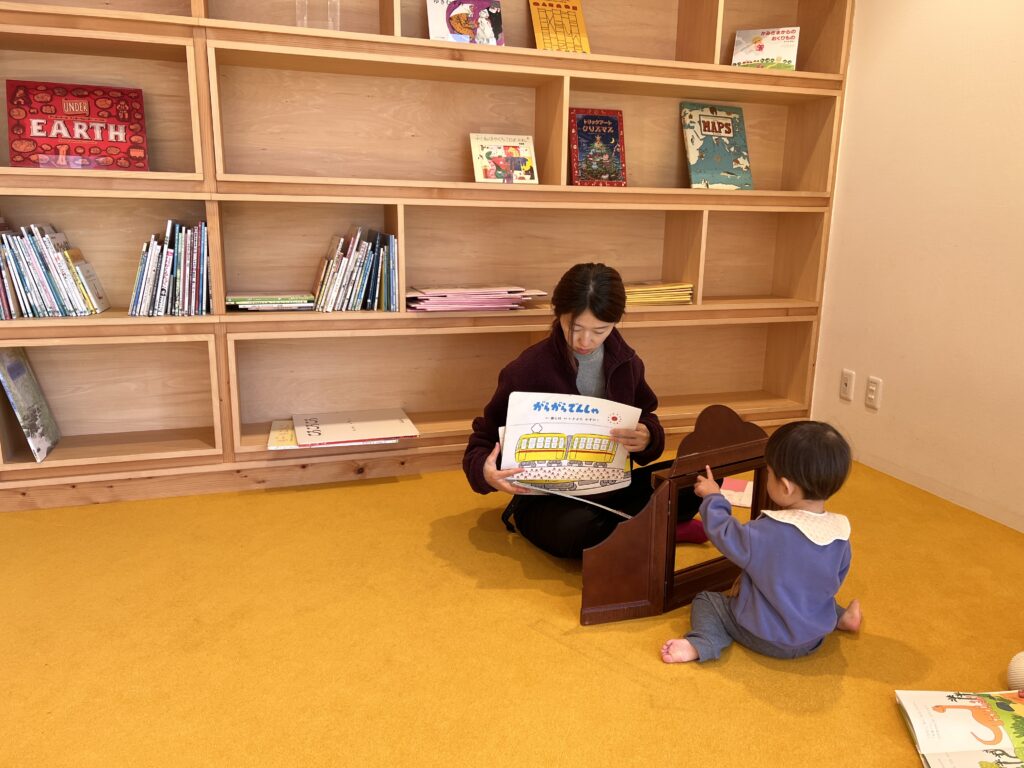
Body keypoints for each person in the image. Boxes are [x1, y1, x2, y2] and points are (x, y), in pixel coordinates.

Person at [463, 262, 700, 559]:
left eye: (600, 330)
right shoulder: (525, 369)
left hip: (611, 488)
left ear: (615, 322)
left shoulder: (627, 363)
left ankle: (634, 529)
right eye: (574, 328)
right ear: (558, 313)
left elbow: (648, 418)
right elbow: (482, 441)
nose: (585, 341)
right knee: (576, 530)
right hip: (548, 500)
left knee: (698, 478)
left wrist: (648, 437)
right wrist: (486, 472)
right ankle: (658, 527)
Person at [661, 420, 862, 664]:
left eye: (769, 472)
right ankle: (842, 618)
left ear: (785, 487)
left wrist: (713, 497)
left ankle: (704, 641)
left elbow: (724, 532)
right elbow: (833, 580)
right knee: (815, 593)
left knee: (707, 601)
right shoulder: (840, 534)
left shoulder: (767, 533)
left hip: (764, 637)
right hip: (812, 638)